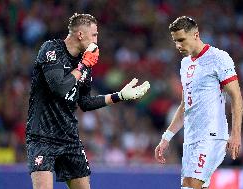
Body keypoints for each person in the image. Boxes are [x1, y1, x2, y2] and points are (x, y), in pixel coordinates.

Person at [26, 13, 150, 189]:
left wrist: (119, 96)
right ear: (80, 35)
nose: (96, 40)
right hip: (42, 137)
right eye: (94, 35)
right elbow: (60, 88)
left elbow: (84, 102)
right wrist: (82, 66)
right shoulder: (51, 49)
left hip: (69, 138)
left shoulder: (85, 62)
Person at [154, 16, 243, 189]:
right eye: (175, 41)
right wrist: (166, 138)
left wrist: (236, 133)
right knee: (191, 186)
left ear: (196, 35)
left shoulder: (218, 58)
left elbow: (236, 96)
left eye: (181, 40)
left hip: (211, 136)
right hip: (191, 138)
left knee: (191, 185)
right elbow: (185, 105)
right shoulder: (185, 64)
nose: (178, 45)